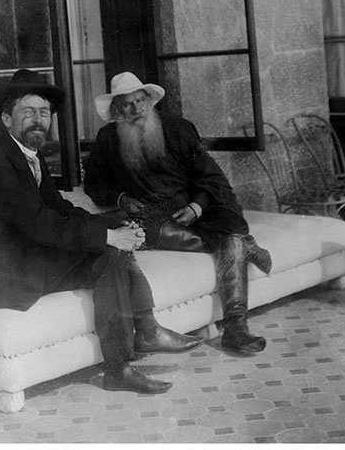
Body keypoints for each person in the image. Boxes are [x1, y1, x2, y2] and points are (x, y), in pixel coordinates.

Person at [0, 68, 202, 395]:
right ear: (6, 119)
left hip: (25, 259)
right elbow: (41, 225)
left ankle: (134, 346)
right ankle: (140, 339)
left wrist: (113, 226)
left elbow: (58, 208)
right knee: (107, 252)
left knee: (111, 256)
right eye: (27, 112)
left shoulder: (29, 155)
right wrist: (106, 237)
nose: (38, 120)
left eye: (44, 113)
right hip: (0, 276)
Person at [84, 72, 272, 357]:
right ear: (116, 111)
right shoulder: (108, 140)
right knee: (229, 241)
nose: (135, 109)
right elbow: (95, 184)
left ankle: (235, 327)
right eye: (127, 104)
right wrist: (121, 198)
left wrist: (197, 206)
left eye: (140, 101)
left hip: (192, 206)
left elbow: (212, 177)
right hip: (150, 212)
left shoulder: (178, 129)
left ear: (151, 102)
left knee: (226, 226)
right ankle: (243, 248)